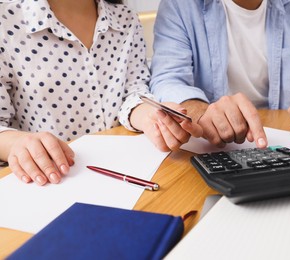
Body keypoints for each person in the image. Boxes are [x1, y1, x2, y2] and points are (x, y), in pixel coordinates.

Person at [0, 0, 201, 185]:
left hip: (126, 172)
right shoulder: (6, 21)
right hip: (50, 180)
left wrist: (150, 116)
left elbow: (133, 92)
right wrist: (18, 144)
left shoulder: (125, 17)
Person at [150, 0, 290, 148]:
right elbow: (167, 80)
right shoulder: (178, 5)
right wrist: (201, 112)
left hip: (281, 139)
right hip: (207, 145)